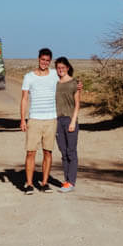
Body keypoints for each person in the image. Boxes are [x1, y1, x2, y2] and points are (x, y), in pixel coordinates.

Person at [20, 47, 58, 193]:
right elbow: (24, 99)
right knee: (31, 152)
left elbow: (69, 81)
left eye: (47, 61)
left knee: (48, 152)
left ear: (50, 61)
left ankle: (44, 182)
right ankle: (29, 184)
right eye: (43, 60)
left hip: (51, 119)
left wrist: (78, 85)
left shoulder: (55, 75)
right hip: (34, 119)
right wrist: (23, 119)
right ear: (38, 59)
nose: (44, 63)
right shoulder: (29, 77)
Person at [54, 56, 80, 192]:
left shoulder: (74, 83)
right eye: (58, 68)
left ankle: (71, 182)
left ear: (68, 68)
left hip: (70, 120)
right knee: (63, 152)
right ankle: (66, 180)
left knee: (71, 152)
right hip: (57, 120)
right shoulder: (55, 83)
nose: (60, 70)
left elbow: (77, 104)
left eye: (63, 68)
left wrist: (73, 121)